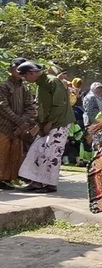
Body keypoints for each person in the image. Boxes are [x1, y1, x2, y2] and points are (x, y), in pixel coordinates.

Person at [17, 61, 74, 193]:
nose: (25, 79)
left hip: (59, 122)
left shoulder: (52, 82)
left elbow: (60, 104)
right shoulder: (41, 84)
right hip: (47, 123)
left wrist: (50, 122)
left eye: (25, 76)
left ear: (32, 73)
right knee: (35, 150)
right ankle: (36, 182)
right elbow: (42, 107)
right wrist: (40, 124)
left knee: (51, 153)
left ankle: (50, 184)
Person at [0, 58, 35, 188]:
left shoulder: (25, 88)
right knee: (2, 153)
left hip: (18, 128)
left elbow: (30, 106)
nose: (19, 71)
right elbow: (3, 107)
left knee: (14, 155)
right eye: (17, 68)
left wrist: (23, 122)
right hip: (3, 126)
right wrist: (20, 121)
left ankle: (7, 179)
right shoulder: (3, 86)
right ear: (10, 70)